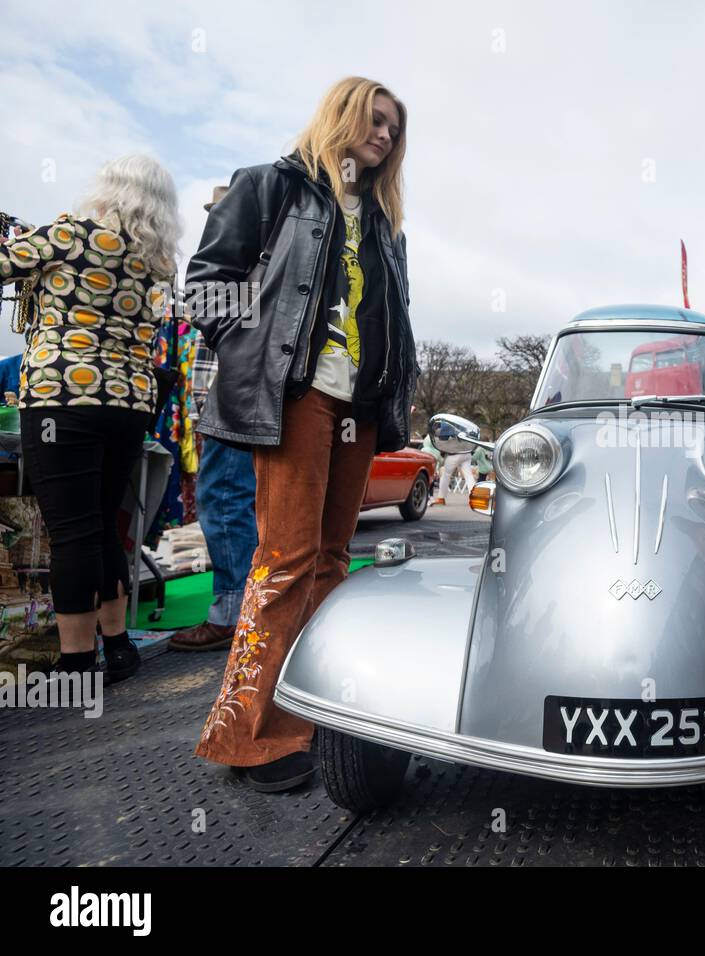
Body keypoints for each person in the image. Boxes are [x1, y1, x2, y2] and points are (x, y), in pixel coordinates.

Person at [187, 76, 419, 792]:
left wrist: (390, 396)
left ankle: (308, 712)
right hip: (297, 393)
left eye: (393, 128)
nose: (382, 135)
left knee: (330, 562)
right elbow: (203, 287)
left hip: (360, 402)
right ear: (342, 116)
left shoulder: (385, 225)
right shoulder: (268, 186)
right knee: (285, 559)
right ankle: (247, 736)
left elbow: (393, 316)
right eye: (374, 119)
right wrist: (257, 351)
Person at [0, 155, 182, 682]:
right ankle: (118, 647)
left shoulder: (71, 233)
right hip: (129, 405)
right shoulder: (158, 259)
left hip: (63, 396)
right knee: (104, 527)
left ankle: (77, 665)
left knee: (72, 534)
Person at [169, 185, 258, 652]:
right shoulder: (241, 262)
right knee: (235, 501)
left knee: (224, 500)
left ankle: (233, 613)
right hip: (233, 403)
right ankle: (247, 610)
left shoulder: (240, 264)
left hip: (234, 403)